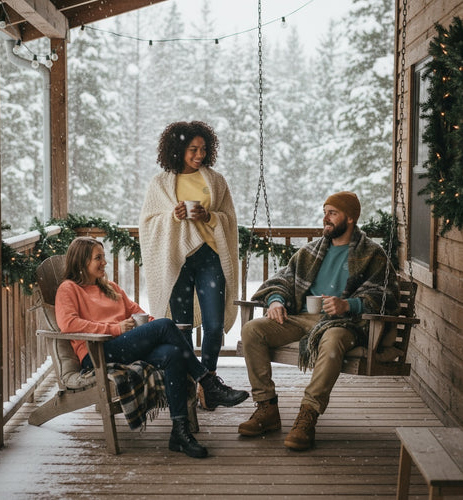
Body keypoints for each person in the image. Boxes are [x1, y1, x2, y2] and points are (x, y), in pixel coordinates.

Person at [55, 236, 248, 459]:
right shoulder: (68, 289)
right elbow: (69, 324)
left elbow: (139, 313)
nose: (104, 262)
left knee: (173, 353)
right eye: (98, 258)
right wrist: (116, 328)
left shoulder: (110, 288)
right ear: (81, 262)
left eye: (103, 257)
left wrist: (154, 326)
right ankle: (207, 382)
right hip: (97, 353)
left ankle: (180, 432)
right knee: (166, 324)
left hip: (124, 347)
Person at [237, 191, 400, 451]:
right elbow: (282, 279)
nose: (325, 218)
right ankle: (266, 408)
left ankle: (308, 415)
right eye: (325, 211)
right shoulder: (311, 251)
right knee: (252, 330)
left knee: (333, 340)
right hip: (301, 318)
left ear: (350, 218)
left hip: (343, 323)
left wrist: (349, 304)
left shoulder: (372, 254)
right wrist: (276, 300)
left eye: (332, 213)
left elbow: (386, 295)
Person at [139, 120, 248, 410]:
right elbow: (148, 223)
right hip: (176, 260)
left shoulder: (216, 181)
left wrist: (209, 216)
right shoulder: (161, 183)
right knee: (180, 326)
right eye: (192, 149)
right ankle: (189, 385)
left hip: (210, 256)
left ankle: (209, 380)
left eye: (203, 149)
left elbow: (229, 219)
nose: (199, 155)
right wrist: (172, 217)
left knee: (214, 325)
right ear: (177, 150)